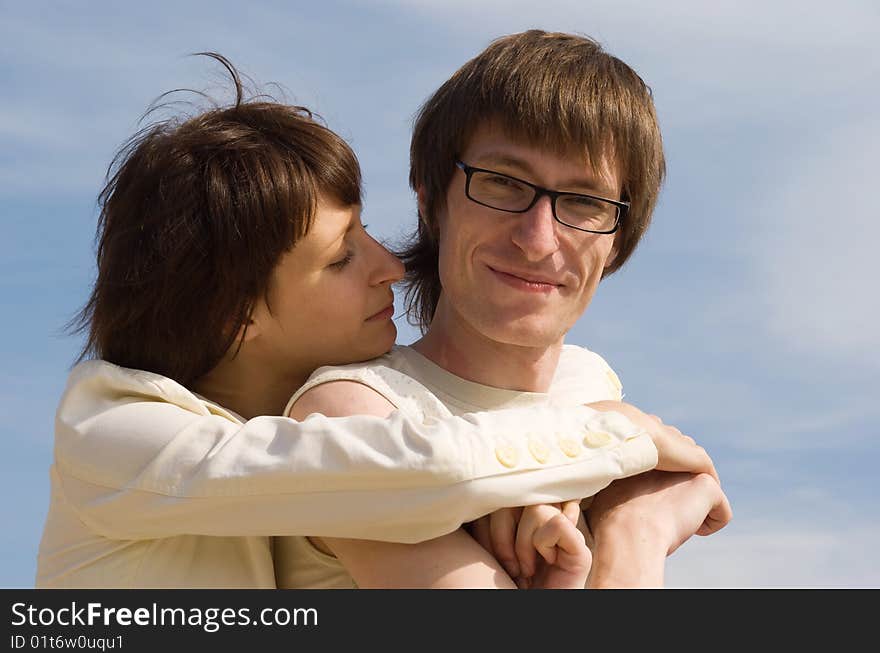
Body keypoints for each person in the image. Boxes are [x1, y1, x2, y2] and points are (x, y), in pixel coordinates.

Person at [36, 53, 713, 588]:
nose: (389, 264)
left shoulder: (587, 380)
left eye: (585, 201)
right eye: (339, 259)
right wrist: (630, 512)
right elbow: (405, 467)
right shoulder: (118, 430)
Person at [280, 29, 732, 588]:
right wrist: (635, 533)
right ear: (431, 199)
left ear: (618, 238)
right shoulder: (352, 412)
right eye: (502, 184)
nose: (538, 239)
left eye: (585, 201)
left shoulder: (588, 383)